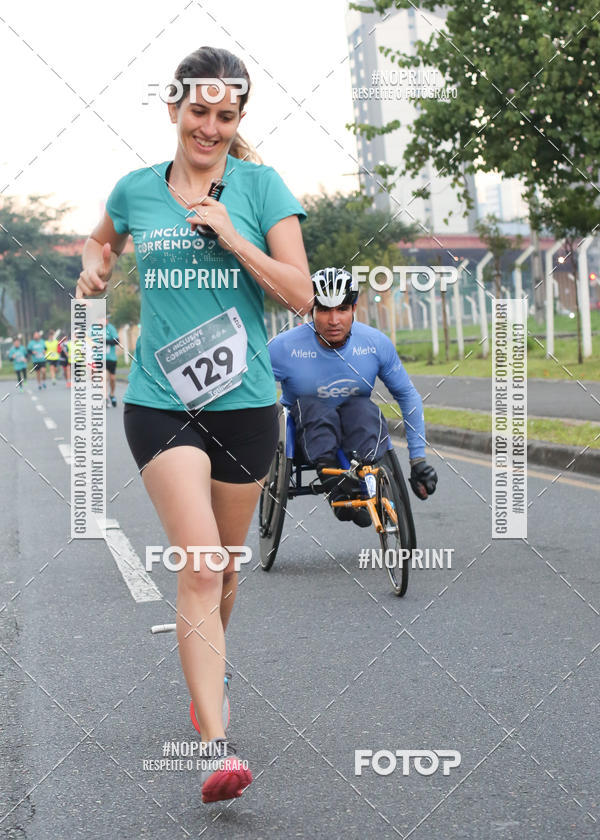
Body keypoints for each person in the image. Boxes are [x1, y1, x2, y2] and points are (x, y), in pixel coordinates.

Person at [76, 46, 312, 803]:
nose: (208, 126)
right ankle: (216, 744)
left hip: (245, 406)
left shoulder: (262, 187)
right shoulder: (137, 190)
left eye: (225, 115)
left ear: (238, 119)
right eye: (197, 111)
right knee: (201, 565)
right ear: (172, 107)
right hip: (160, 402)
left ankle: (205, 675)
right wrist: (93, 267)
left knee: (228, 569)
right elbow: (100, 238)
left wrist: (234, 238)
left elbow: (303, 297)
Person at [269, 267, 438, 526]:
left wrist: (418, 461)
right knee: (312, 404)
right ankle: (334, 484)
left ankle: (366, 480)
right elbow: (251, 388)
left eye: (342, 309)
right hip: (306, 433)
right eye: (324, 310)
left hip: (355, 428)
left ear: (354, 308)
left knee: (364, 407)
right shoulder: (284, 347)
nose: (333, 320)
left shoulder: (375, 344)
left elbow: (407, 395)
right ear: (311, 310)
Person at [105, 314, 119, 407]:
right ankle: (105, 398)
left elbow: (117, 341)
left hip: (111, 358)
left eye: (107, 319)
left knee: (112, 379)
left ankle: (112, 394)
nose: (106, 321)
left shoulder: (111, 328)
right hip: (100, 359)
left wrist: (104, 341)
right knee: (104, 378)